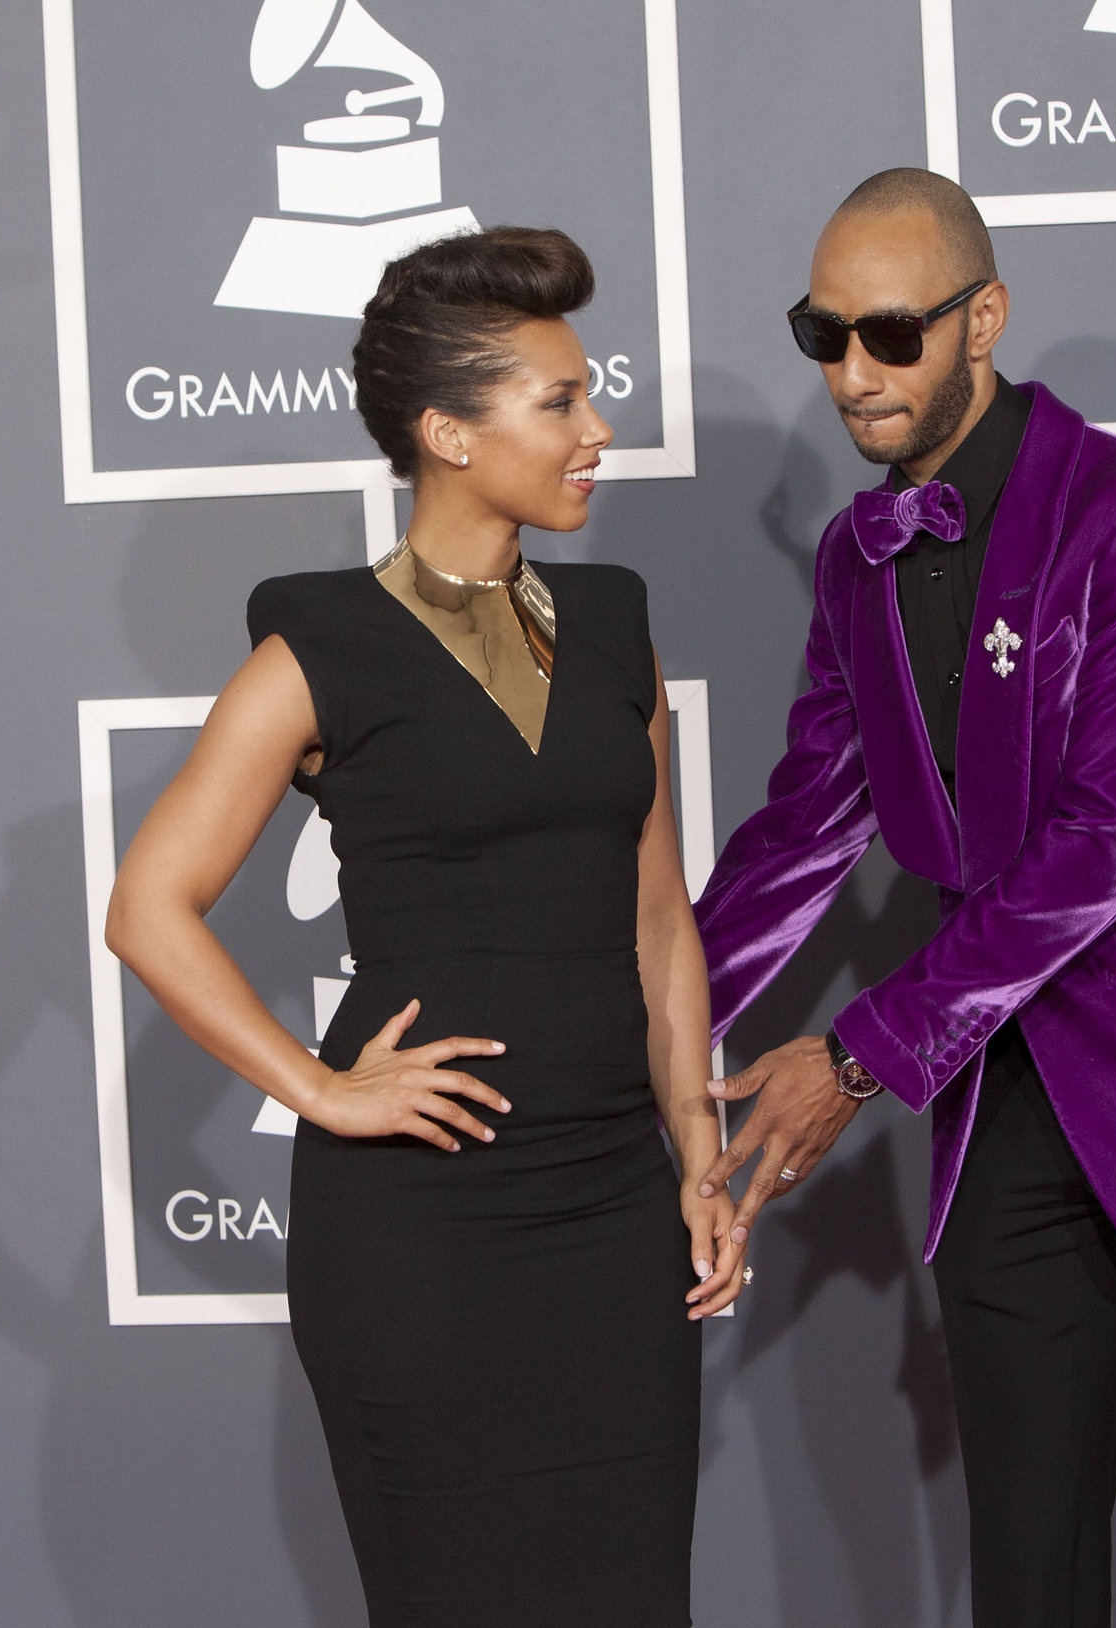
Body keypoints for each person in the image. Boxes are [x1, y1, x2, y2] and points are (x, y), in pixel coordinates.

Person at [693, 169, 1116, 1627]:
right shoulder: (859, 559)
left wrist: (856, 1056)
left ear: (983, 317)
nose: (852, 374)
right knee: (1027, 1567)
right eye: (822, 335)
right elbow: (806, 824)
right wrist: (648, 1020)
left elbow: (1105, 845)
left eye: (890, 334)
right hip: (1004, 1094)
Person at [105, 226, 739, 1628]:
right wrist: (321, 1088)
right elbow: (147, 909)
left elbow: (657, 916)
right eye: (560, 402)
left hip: (614, 1211)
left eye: (589, 396)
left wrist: (697, 1148)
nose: (598, 429)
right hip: (420, 1233)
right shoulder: (318, 648)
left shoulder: (616, 626)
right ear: (449, 433)